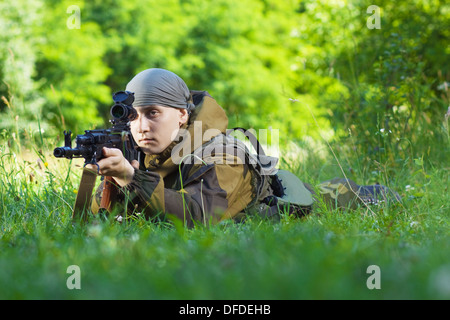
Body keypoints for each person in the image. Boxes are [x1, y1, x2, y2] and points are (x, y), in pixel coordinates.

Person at [90, 68, 400, 226]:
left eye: (153, 113)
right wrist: (109, 176)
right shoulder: (143, 152)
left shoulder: (221, 154)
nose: (141, 126)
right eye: (134, 116)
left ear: (182, 114)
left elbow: (199, 218)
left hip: (281, 200)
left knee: (338, 195)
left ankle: (389, 195)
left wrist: (131, 177)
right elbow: (102, 219)